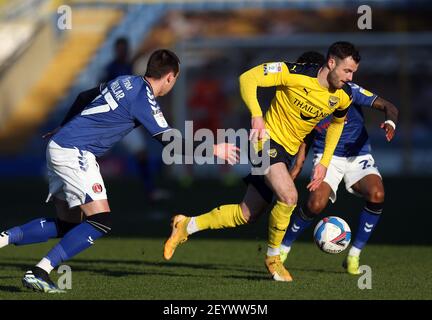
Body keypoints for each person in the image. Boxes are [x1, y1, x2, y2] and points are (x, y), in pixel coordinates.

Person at [0, 49, 239, 293]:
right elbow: (171, 142)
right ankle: (39, 272)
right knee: (100, 220)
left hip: (61, 145)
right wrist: (213, 149)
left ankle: (5, 240)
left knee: (69, 226)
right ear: (169, 77)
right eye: (175, 79)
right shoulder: (144, 99)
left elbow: (84, 96)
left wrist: (63, 126)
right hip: (75, 151)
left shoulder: (126, 81)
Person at [163, 42, 360, 282]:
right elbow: (248, 78)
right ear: (331, 63)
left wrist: (324, 162)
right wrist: (256, 115)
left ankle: (186, 225)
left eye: (353, 72)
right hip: (265, 141)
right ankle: (273, 259)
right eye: (347, 71)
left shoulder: (344, 95)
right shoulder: (293, 72)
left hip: (285, 154)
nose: (351, 78)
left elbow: (338, 124)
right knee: (289, 197)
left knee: (246, 213)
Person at [280, 52, 399, 275]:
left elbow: (390, 107)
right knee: (316, 204)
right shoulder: (301, 96)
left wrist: (390, 122)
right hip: (327, 159)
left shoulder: (349, 90)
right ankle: (282, 249)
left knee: (377, 195)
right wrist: (299, 162)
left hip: (358, 156)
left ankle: (353, 256)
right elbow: (305, 133)